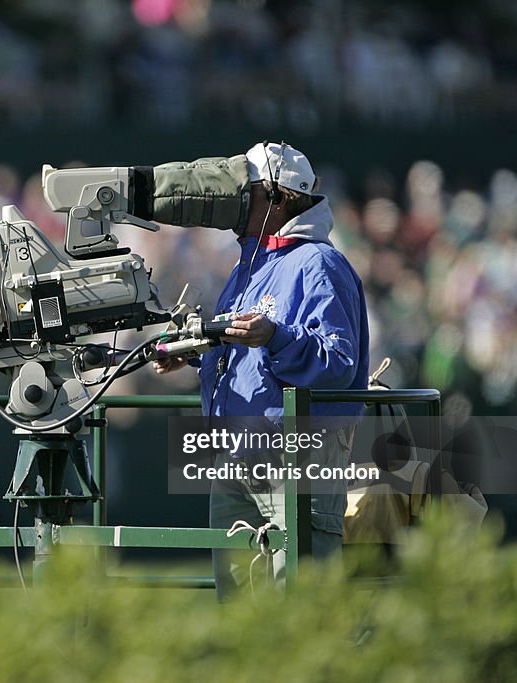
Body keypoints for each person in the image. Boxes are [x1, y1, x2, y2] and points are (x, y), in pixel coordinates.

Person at [154, 141, 369, 599]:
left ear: (278, 197)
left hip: (296, 458)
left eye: (246, 191)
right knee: (237, 607)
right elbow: (244, 351)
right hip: (235, 453)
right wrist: (194, 352)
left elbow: (339, 364)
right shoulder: (249, 265)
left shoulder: (319, 263)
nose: (234, 201)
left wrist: (276, 336)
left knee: (299, 608)